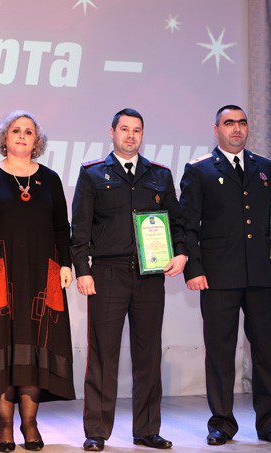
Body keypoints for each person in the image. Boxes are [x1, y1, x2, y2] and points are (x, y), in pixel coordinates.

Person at [179, 104, 271, 446]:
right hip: (217, 276)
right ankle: (221, 423)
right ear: (216, 129)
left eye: (242, 123)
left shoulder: (265, 167)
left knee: (266, 351)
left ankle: (269, 423)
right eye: (229, 123)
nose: (237, 129)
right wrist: (193, 268)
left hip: (260, 274)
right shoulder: (199, 169)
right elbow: (188, 225)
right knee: (220, 353)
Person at [0, 110, 75, 451]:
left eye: (28, 132)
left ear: (36, 141)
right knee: (1, 347)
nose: (22, 136)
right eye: (15, 130)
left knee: (35, 345)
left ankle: (30, 424)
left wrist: (66, 264)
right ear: (4, 138)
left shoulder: (50, 179)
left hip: (41, 276)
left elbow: (60, 226)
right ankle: (5, 426)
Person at [71, 108, 187, 451]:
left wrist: (181, 253)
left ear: (142, 135)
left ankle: (147, 430)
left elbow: (176, 222)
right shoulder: (93, 173)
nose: (131, 135)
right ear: (112, 132)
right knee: (103, 354)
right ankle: (96, 431)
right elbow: (80, 227)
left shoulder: (160, 175)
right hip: (107, 274)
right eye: (124, 129)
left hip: (150, 275)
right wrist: (83, 271)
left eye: (137, 130)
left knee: (148, 354)